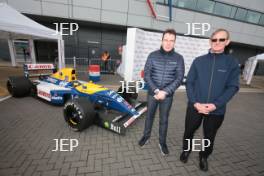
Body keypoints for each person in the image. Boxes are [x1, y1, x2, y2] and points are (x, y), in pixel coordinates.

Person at [179, 29, 240, 171]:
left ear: (227, 42)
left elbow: (233, 87)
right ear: (210, 41)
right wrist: (195, 103)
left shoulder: (232, 63)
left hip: (216, 110)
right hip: (195, 106)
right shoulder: (199, 61)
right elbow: (190, 83)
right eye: (214, 40)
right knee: (189, 131)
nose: (217, 43)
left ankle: (204, 156)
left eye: (221, 39)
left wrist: (215, 105)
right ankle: (186, 150)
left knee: (209, 136)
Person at [138, 29, 185, 155]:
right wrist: (157, 90)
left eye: (171, 40)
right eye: (166, 40)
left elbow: (179, 78)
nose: (168, 43)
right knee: (149, 117)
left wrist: (164, 92)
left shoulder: (179, 58)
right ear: (162, 40)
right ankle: (146, 137)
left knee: (164, 120)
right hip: (152, 94)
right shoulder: (152, 55)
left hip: (167, 96)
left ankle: (162, 142)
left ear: (174, 42)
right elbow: (147, 75)